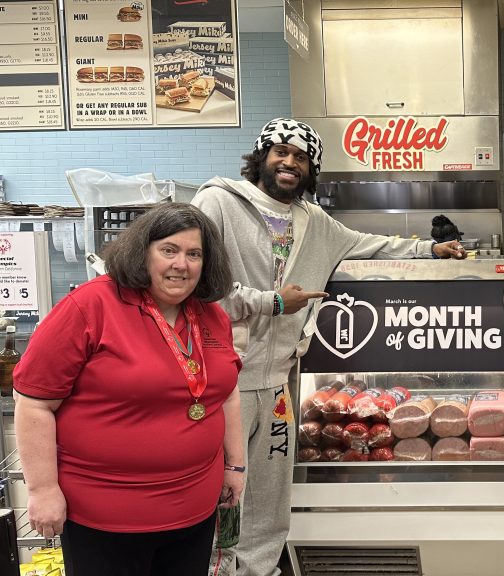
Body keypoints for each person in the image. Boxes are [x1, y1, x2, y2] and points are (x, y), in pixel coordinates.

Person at [192, 118, 465, 576]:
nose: (290, 162)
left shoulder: (313, 221)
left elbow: (371, 246)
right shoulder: (218, 202)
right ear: (261, 156)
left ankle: (260, 570)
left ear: (311, 170)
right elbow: (197, 286)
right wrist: (273, 302)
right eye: (281, 152)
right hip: (224, 382)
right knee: (222, 491)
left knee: (270, 501)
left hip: (277, 384)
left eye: (301, 157)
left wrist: (429, 251)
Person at [14, 203, 244, 576]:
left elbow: (226, 394)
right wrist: (42, 490)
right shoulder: (90, 306)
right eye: (169, 250)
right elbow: (34, 403)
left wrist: (234, 466)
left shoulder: (211, 315)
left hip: (194, 512)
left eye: (194, 254)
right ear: (142, 252)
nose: (181, 264)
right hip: (104, 519)